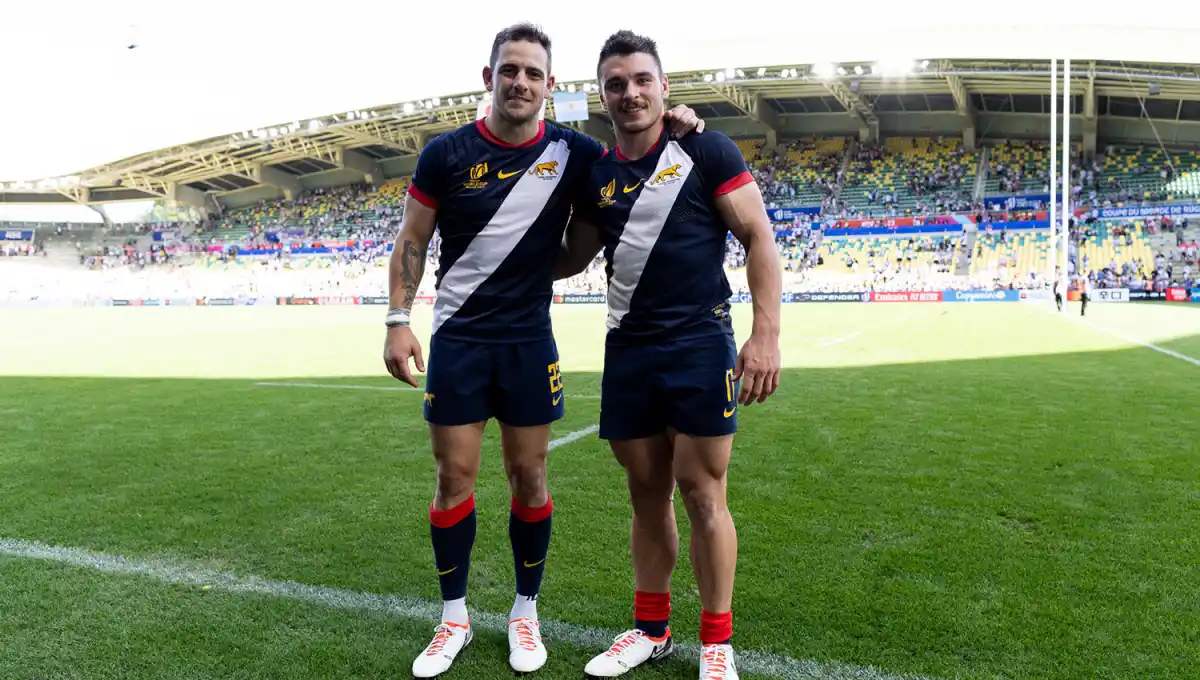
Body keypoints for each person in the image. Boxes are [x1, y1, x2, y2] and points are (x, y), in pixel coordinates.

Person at [381, 23, 705, 678]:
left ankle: (524, 613)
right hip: (460, 341)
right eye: (510, 70)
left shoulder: (575, 154)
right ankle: (455, 619)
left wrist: (678, 122)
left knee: (531, 477)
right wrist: (396, 318)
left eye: (534, 73)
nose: (521, 82)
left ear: (550, 86)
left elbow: (635, 152)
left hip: (529, 341)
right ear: (489, 78)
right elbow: (412, 238)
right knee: (453, 481)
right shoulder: (445, 154)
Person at [554, 30, 782, 680]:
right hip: (628, 351)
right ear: (602, 96)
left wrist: (764, 336)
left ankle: (716, 642)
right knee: (645, 494)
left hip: (699, 347)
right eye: (616, 84)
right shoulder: (596, 175)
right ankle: (652, 631)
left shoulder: (703, 149)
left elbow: (758, 236)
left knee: (703, 491)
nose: (630, 93)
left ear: (664, 87)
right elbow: (573, 257)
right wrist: (502, 252)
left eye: (641, 80)